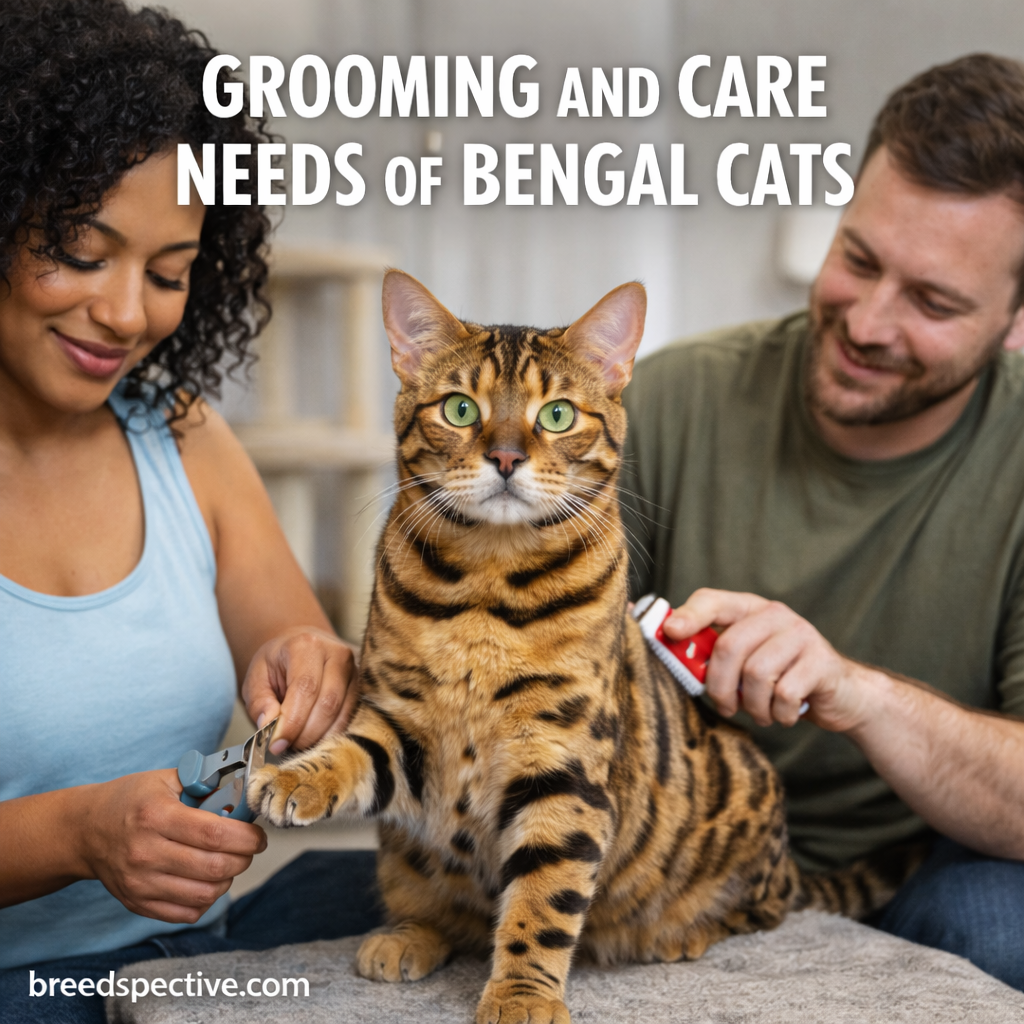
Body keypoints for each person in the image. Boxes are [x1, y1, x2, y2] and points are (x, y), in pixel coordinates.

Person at [0, 2, 380, 1020]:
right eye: (82, 251)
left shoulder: (180, 433)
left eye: (169, 273)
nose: (129, 314)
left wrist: (309, 663)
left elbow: (297, 640)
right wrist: (79, 833)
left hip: (181, 969)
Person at [620, 53, 1024, 990]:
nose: (869, 321)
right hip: (665, 843)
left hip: (922, 864)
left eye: (932, 301)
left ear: (1014, 318)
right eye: (858, 259)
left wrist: (858, 695)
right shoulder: (671, 398)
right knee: (328, 893)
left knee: (1003, 927)